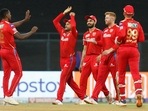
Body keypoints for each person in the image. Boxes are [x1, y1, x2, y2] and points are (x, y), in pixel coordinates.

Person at [0, 8, 38, 105]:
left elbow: (13, 25)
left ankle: (5, 97)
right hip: (10, 51)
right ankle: (9, 96)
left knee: (6, 75)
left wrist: (24, 20)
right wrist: (32, 32)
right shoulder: (8, 26)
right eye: (10, 14)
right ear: (6, 15)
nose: (11, 15)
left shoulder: (1, 25)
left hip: (2, 50)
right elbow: (21, 37)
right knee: (19, 73)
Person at [84, 12, 120, 104]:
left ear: (112, 19)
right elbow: (103, 43)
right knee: (100, 78)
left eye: (107, 18)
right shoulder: (105, 30)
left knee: (115, 79)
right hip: (104, 57)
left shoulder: (117, 29)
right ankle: (94, 98)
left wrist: (110, 50)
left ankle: (118, 98)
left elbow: (119, 43)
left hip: (114, 56)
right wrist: (95, 42)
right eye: (105, 18)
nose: (105, 19)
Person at [52, 6, 84, 105]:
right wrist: (64, 12)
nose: (66, 24)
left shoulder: (74, 33)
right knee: (70, 81)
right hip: (62, 59)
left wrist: (72, 17)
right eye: (65, 23)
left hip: (70, 59)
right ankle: (83, 97)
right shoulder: (62, 32)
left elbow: (74, 26)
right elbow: (55, 21)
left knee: (63, 77)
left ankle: (59, 99)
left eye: (68, 23)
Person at [115, 5, 145, 107]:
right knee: (135, 73)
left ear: (124, 13)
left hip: (123, 49)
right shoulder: (137, 24)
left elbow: (122, 35)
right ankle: (139, 93)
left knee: (121, 73)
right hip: (134, 49)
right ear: (133, 14)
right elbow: (141, 38)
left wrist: (118, 41)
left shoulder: (122, 23)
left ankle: (123, 100)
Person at [79, 15, 111, 104]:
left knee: (97, 78)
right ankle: (82, 98)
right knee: (83, 78)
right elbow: (84, 49)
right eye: (88, 21)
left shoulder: (99, 32)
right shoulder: (85, 34)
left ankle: (107, 93)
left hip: (96, 57)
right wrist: (81, 63)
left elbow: (104, 45)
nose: (88, 22)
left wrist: (101, 55)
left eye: (91, 20)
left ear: (95, 22)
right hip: (87, 58)